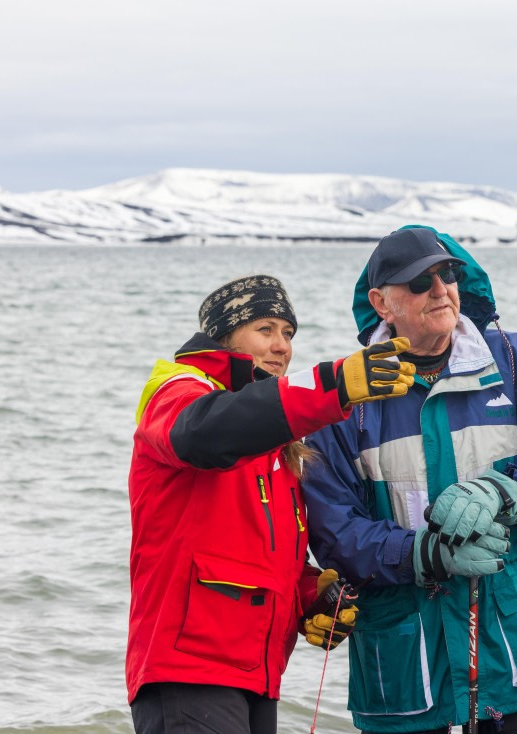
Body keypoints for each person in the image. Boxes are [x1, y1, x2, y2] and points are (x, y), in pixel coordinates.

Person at [303, 225, 517, 734]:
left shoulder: (513, 359)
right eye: (420, 282)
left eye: (448, 275)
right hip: (405, 657)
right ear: (381, 302)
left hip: (512, 645)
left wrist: (506, 492)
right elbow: (333, 532)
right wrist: (423, 554)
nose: (440, 290)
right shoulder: (344, 398)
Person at [127, 274, 416, 734]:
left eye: (288, 333)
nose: (282, 346)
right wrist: (333, 384)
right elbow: (202, 435)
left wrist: (311, 597)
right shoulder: (178, 392)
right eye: (265, 329)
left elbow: (257, 555)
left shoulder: (274, 441)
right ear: (224, 337)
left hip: (257, 673)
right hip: (189, 668)